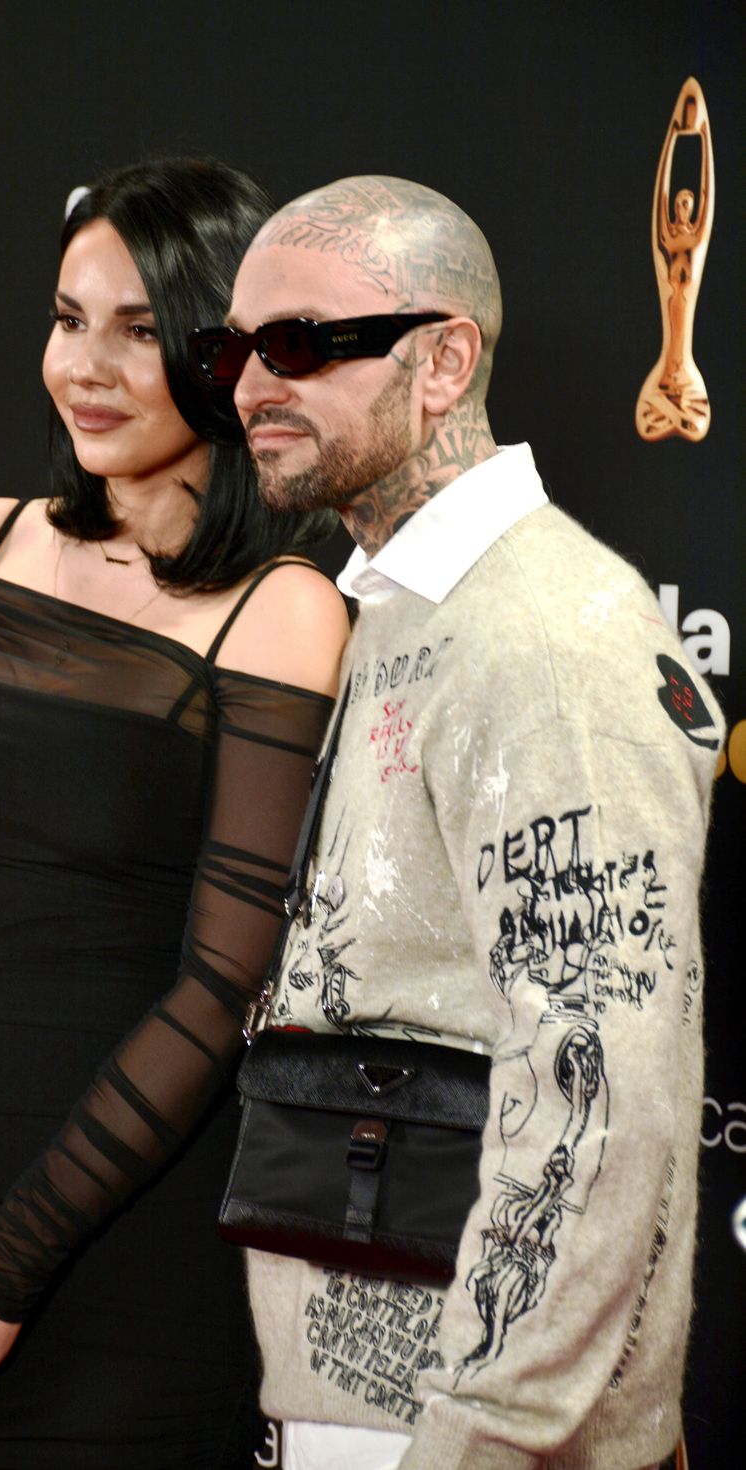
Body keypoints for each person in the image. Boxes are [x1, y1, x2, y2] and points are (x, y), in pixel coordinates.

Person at [0, 157, 348, 1470]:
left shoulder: (280, 607)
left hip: (114, 1262)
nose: (86, 367)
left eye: (141, 330)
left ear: (227, 355)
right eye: (67, 318)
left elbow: (220, 983)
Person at [193, 174, 724, 1469]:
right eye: (233, 349)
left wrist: (488, 1431)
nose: (253, 384)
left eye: (302, 345)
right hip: (357, 1415)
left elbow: (602, 1089)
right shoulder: (383, 603)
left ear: (443, 362)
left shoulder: (547, 636)